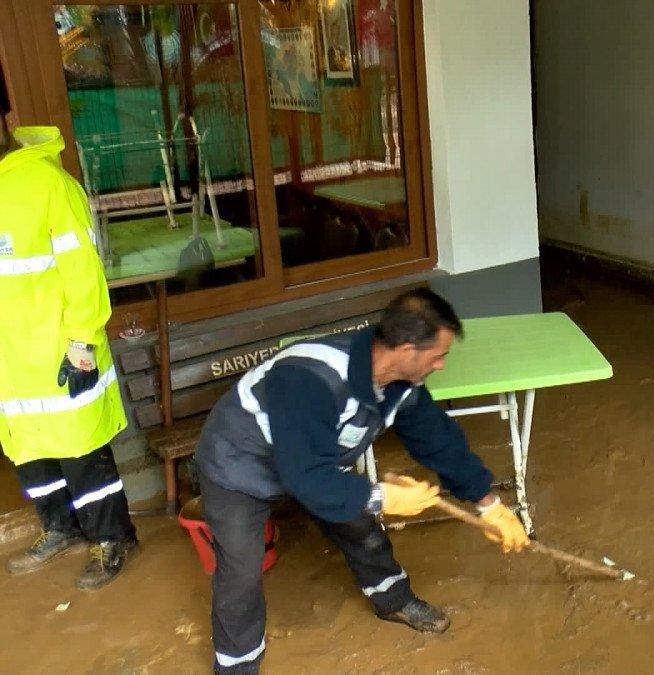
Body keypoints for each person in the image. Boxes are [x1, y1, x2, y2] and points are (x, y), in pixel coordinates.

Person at [194, 288, 530, 673]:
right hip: (238, 464)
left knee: (359, 525)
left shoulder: (399, 384)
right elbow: (306, 477)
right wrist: (381, 495)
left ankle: (393, 599)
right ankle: (237, 666)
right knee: (241, 568)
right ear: (406, 349)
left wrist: (489, 505)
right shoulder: (309, 377)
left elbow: (439, 441)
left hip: (311, 461)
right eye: (438, 356)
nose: (440, 365)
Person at [0, 99, 139, 588]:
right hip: (9, 366)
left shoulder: (49, 185)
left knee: (83, 454)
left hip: (60, 356)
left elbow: (84, 274)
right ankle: (59, 527)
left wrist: (81, 344)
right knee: (30, 455)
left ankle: (112, 540)